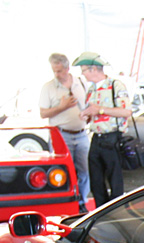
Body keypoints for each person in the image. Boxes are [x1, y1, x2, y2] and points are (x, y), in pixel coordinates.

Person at [73, 51, 132, 206]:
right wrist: (87, 115)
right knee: (96, 181)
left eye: (84, 70)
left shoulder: (115, 85)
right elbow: (93, 111)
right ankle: (101, 211)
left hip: (112, 138)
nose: (83, 74)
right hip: (96, 138)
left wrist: (99, 110)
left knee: (115, 181)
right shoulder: (91, 89)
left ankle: (116, 212)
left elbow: (126, 111)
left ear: (93, 69)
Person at [40, 53, 90, 212]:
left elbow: (88, 104)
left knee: (84, 171)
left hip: (81, 133)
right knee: (62, 172)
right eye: (54, 71)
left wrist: (88, 115)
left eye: (60, 71)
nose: (57, 75)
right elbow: (43, 113)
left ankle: (81, 203)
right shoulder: (48, 87)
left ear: (68, 69)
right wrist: (62, 107)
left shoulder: (81, 83)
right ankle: (63, 203)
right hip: (61, 135)